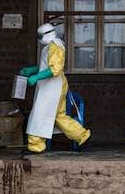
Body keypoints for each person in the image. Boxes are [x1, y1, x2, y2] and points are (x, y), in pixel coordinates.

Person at [20, 23, 91, 154]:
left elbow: (54, 69)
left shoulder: (55, 46)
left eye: (40, 36)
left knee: (39, 114)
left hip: (52, 87)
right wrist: (32, 70)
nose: (39, 38)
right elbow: (46, 66)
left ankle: (36, 145)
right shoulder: (49, 47)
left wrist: (36, 77)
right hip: (52, 86)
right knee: (59, 116)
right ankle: (82, 136)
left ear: (47, 34)